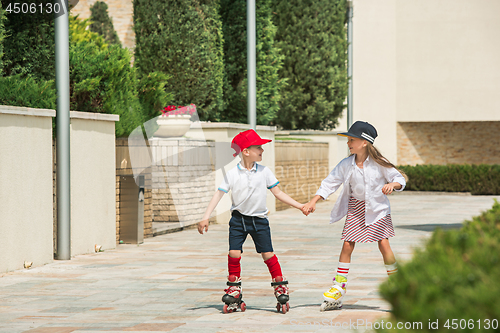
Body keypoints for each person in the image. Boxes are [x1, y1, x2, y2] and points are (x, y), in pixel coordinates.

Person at [302, 121, 407, 311]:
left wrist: (393, 185)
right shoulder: (346, 164)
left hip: (377, 209)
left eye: (352, 140)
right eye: (348, 140)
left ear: (364, 142)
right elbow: (330, 183)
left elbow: (399, 178)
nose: (348, 143)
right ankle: (338, 286)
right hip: (355, 209)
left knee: (383, 244)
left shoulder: (379, 163)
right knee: (348, 244)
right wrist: (313, 201)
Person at [197, 129, 305, 314]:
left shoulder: (264, 171)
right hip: (238, 220)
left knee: (268, 254)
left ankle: (280, 286)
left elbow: (278, 193)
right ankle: (234, 288)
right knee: (234, 252)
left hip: (260, 221)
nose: (262, 150)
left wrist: (300, 206)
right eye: (258, 147)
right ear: (246, 151)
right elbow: (219, 194)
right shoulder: (232, 174)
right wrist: (206, 216)